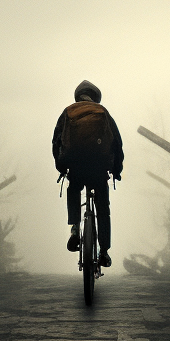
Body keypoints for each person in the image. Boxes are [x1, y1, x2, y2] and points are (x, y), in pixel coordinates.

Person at [52, 80, 123, 268]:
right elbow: (117, 142)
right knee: (103, 207)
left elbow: (56, 141)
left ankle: (75, 228)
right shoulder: (103, 112)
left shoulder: (68, 112)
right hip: (99, 167)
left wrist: (61, 166)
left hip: (75, 166)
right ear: (95, 97)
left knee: (74, 188)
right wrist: (117, 170)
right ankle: (105, 252)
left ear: (78, 96)